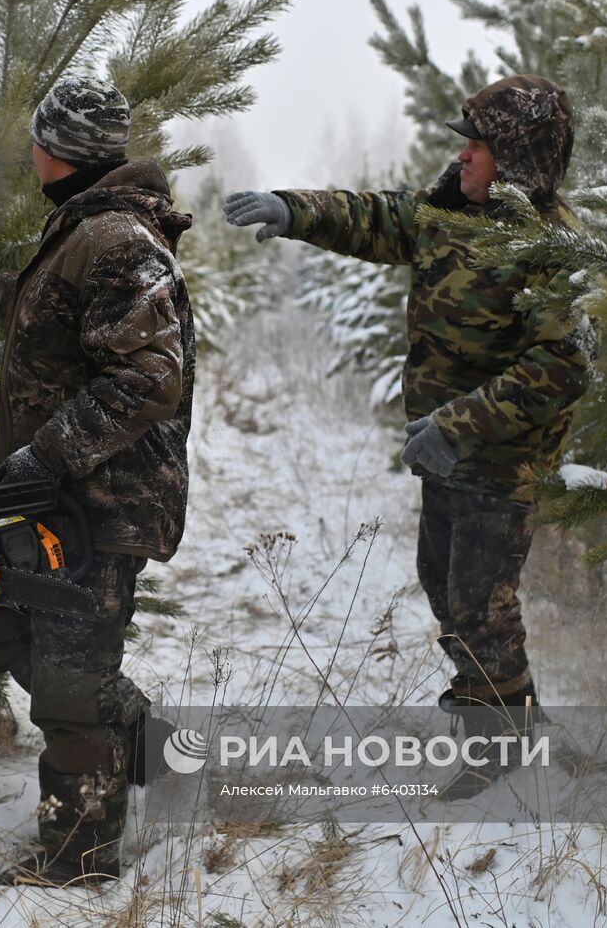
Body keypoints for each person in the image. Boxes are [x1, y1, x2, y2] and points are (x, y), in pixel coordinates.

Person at [224, 74, 588, 796]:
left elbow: (564, 363)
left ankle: (505, 755)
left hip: (499, 458)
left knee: (481, 605)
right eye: (467, 147)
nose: (464, 160)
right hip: (444, 455)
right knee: (447, 592)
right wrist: (292, 210)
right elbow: (377, 218)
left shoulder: (553, 246)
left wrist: (457, 426)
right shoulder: (446, 211)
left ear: (518, 163)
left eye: (481, 149)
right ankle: (512, 719)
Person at [0, 76, 195, 885]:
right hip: (67, 501)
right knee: (40, 658)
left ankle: (78, 860)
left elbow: (148, 377)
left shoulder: (117, 238)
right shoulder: (87, 234)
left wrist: (42, 458)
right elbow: (70, 333)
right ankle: (164, 758)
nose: (29, 152)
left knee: (67, 687)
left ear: (58, 151)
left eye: (37, 139)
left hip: (99, 501)